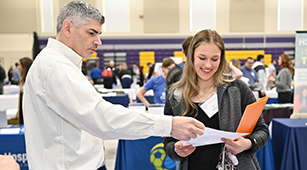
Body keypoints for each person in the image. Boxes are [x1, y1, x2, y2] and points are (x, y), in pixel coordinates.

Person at [23, 1, 205, 170]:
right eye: (91, 33)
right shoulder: (56, 67)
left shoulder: (58, 63)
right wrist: (168, 125)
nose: (98, 41)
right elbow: (100, 117)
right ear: (68, 28)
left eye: (99, 34)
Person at [163, 29, 268, 170]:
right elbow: (168, 142)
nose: (208, 65)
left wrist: (246, 144)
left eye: (214, 59)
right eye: (202, 58)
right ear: (191, 56)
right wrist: (176, 150)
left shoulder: (237, 89)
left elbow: (262, 130)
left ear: (221, 58)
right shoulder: (175, 96)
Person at [8, 57, 33, 125]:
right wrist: (17, 114)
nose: (18, 67)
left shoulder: (30, 79)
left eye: (19, 65)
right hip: (22, 110)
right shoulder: (22, 80)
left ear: (24, 66)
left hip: (29, 112)